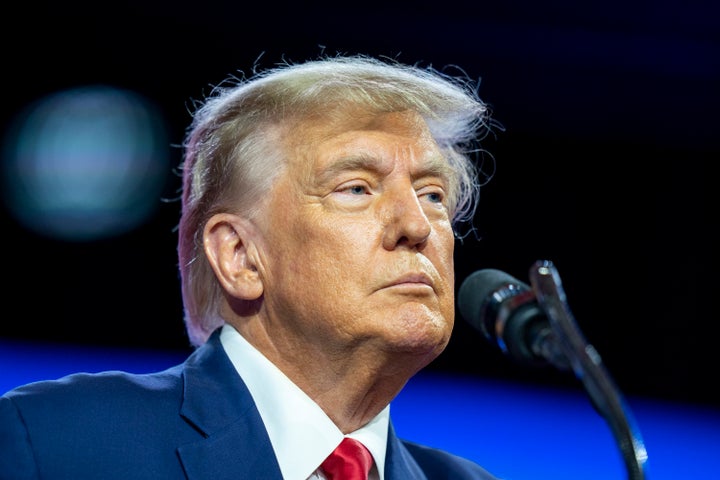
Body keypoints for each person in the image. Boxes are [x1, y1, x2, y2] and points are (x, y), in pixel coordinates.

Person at [0, 54, 501, 479]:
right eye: (356, 188)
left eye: (433, 195)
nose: (417, 226)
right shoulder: (54, 443)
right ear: (239, 256)